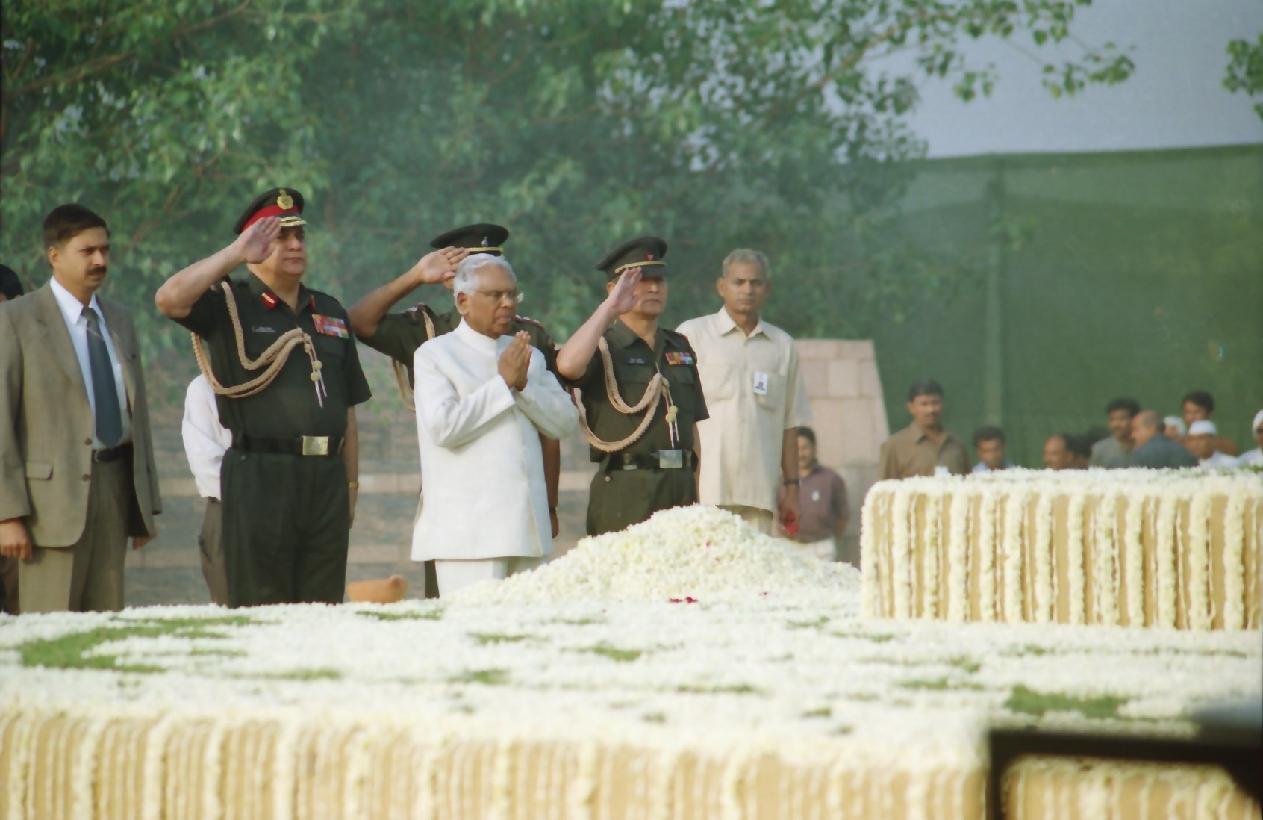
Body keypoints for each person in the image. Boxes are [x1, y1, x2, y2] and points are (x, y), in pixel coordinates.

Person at [155, 188, 372, 607]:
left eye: (299, 235)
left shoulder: (328, 310)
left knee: (324, 606)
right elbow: (169, 299)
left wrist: (350, 486)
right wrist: (236, 253)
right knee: (262, 607)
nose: (294, 244)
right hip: (259, 474)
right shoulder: (229, 303)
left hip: (325, 476)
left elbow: (346, 411)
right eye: (279, 236)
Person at [348, 224, 562, 596]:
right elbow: (359, 321)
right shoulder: (429, 334)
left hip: (523, 512)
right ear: (455, 286)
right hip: (463, 512)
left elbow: (553, 428)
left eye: (507, 286)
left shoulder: (526, 338)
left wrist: (550, 505)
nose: (504, 301)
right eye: (476, 270)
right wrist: (415, 276)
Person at [0, 204, 161, 613]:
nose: (100, 260)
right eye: (87, 251)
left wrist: (145, 504)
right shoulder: (15, 319)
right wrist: (7, 515)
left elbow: (136, 415)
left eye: (105, 250)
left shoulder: (120, 319)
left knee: (106, 625)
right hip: (46, 506)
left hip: (113, 487)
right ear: (54, 255)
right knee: (50, 627)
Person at [410, 254, 578, 595]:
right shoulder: (435, 355)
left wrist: (523, 386)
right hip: (469, 538)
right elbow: (443, 428)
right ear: (463, 301)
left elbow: (564, 423)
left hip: (528, 531)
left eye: (512, 294)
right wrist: (502, 384)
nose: (507, 303)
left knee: (530, 626)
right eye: (495, 295)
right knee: (474, 626)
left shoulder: (528, 356)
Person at [556, 236, 709, 535]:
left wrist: (696, 495)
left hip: (679, 488)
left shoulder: (679, 346)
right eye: (641, 280)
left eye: (659, 280)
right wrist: (610, 309)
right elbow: (567, 366)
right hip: (625, 490)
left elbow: (691, 431)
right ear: (613, 289)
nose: (653, 288)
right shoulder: (602, 347)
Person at [676, 249, 810, 533]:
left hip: (759, 494)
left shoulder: (782, 346)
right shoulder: (692, 335)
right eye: (739, 282)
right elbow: (674, 416)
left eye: (755, 283)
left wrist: (792, 490)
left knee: (755, 562)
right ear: (721, 286)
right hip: (704, 491)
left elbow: (790, 425)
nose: (747, 290)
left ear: (767, 288)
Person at [181, 374, 233, 605]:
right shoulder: (203, 388)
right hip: (228, 508)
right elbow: (207, 466)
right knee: (229, 606)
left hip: (287, 509)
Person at [777, 427, 848, 563]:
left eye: (805, 448)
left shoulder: (831, 479)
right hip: (790, 547)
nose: (801, 454)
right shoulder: (781, 481)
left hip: (821, 548)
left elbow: (843, 516)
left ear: (814, 449)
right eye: (796, 449)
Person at [877, 380, 969, 480]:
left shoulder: (956, 444)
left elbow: (967, 483)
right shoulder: (894, 446)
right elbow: (884, 486)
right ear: (911, 407)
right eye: (924, 404)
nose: (931, 410)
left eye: (935, 403)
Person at [1130, 410, 1197, 468]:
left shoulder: (1140, 454)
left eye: (1136, 429)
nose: (1133, 435)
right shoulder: (1184, 451)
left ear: (1152, 428)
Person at [1181, 390, 1239, 456]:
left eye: (1197, 412)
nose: (1192, 417)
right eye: (1188, 412)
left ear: (1210, 413)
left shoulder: (1226, 446)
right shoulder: (1179, 443)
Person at [1089, 397, 1139, 468]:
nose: (1116, 424)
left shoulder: (1146, 449)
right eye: (1112, 419)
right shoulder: (1099, 449)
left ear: (1135, 420)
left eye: (1122, 419)